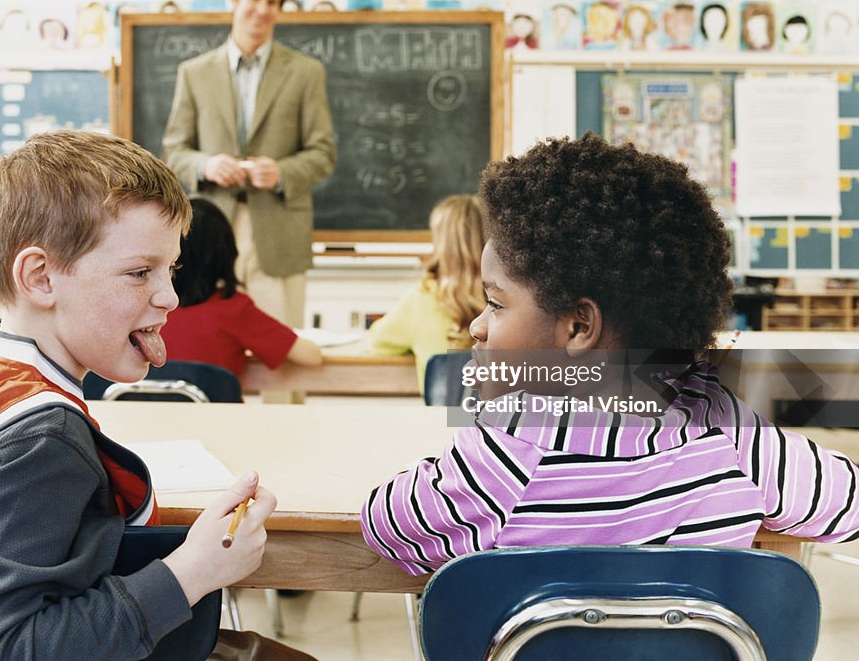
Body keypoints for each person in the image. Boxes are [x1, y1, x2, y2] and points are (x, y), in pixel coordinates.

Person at [0, 130, 310, 661]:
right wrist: (191, 573)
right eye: (139, 273)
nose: (170, 296)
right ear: (40, 278)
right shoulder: (44, 440)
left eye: (169, 269)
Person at [361, 134, 859, 576]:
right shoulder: (733, 435)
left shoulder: (507, 455)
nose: (477, 324)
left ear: (579, 326)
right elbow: (849, 502)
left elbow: (386, 525)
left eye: (494, 303)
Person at [162, 0, 337, 328]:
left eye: (272, 3)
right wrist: (205, 165)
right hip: (209, 230)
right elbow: (174, 152)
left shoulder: (305, 73)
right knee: (208, 341)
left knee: (281, 348)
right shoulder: (194, 73)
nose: (262, 10)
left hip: (277, 229)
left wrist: (282, 172)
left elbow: (323, 153)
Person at [161, 198, 322, 377]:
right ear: (225, 251)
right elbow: (311, 357)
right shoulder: (233, 310)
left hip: (145, 405)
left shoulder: (148, 309)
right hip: (216, 405)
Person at [367, 195, 486, 391]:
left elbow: (378, 342)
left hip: (442, 421)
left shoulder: (423, 298)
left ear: (441, 243)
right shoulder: (511, 300)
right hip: (503, 418)